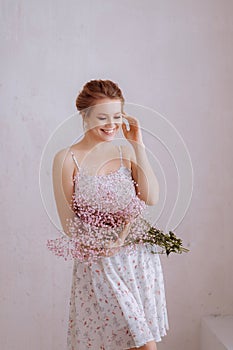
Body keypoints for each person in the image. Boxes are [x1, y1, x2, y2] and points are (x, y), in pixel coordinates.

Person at [51, 79, 169, 349]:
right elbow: (69, 224)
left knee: (135, 344)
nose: (111, 124)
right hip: (100, 263)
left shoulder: (124, 150)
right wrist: (106, 241)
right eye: (102, 117)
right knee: (139, 345)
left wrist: (137, 143)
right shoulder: (67, 158)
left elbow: (150, 197)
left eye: (117, 116)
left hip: (137, 261)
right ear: (84, 116)